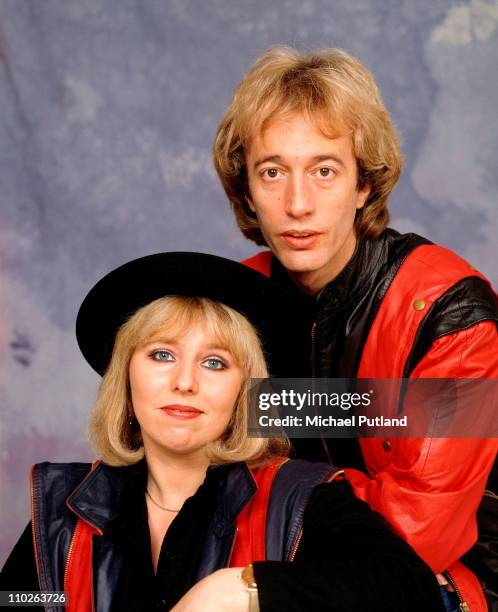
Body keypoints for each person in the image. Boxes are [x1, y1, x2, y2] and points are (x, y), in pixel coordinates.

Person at [213, 46, 498, 610]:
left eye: (324, 170)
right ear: (247, 190)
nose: (298, 204)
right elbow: (184, 476)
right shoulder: (231, 302)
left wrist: (268, 498)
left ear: (363, 185)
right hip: (278, 565)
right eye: (273, 172)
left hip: (447, 584)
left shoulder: (452, 314)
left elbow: (421, 531)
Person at [0, 252, 445, 611]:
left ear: (244, 390)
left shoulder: (300, 496)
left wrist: (245, 591)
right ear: (125, 376)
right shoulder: (62, 508)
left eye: (215, 363)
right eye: (161, 355)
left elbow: (409, 589)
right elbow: (21, 601)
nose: (185, 382)